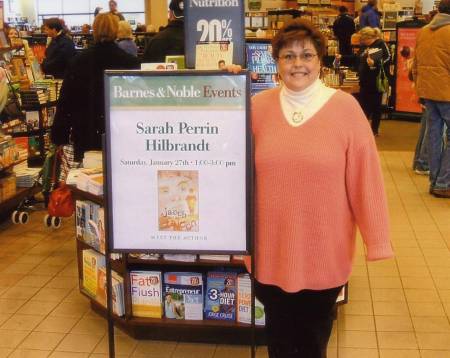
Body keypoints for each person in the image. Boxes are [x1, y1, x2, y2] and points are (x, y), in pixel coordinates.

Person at [229, 18, 393, 358]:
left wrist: (377, 240)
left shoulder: (346, 109)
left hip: (323, 253)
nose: (298, 64)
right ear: (277, 63)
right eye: (288, 56)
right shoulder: (256, 109)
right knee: (278, 342)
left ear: (321, 60)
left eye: (306, 55)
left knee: (312, 343)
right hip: (269, 252)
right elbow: (234, 177)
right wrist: (222, 88)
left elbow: (366, 178)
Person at [50, 14, 140, 161]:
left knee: (87, 178)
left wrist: (60, 136)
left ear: (94, 30)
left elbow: (66, 101)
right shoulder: (130, 62)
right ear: (115, 31)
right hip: (121, 131)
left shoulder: (78, 61)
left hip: (85, 130)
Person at [412, 0, 450, 198]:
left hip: (428, 91)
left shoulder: (424, 31)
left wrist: (419, 89)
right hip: (447, 92)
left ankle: (434, 180)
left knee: (434, 136)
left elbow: (415, 63)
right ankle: (444, 183)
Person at [357, 27, 391, 136]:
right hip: (364, 80)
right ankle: (363, 129)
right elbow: (358, 58)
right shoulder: (363, 46)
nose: (361, 41)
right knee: (363, 105)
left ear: (368, 37)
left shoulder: (380, 43)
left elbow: (388, 58)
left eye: (363, 39)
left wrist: (375, 63)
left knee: (376, 106)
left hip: (376, 80)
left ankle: (374, 130)